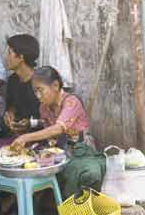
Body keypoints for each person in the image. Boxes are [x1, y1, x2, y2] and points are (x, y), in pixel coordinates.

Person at [10, 66, 106, 198]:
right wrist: (30, 124)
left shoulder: (72, 102)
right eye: (35, 91)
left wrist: (26, 137)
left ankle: (74, 209)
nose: (38, 96)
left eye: (40, 90)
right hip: (61, 152)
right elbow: (47, 125)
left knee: (88, 173)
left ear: (55, 85)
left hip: (82, 152)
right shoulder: (43, 107)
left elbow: (58, 128)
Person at [0, 34, 41, 184]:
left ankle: (12, 197)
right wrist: (10, 117)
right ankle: (2, 192)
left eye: (9, 53)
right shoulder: (13, 80)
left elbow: (50, 119)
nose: (6, 57)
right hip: (17, 136)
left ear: (20, 57)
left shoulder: (40, 82)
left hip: (39, 138)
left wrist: (30, 124)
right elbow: (11, 108)